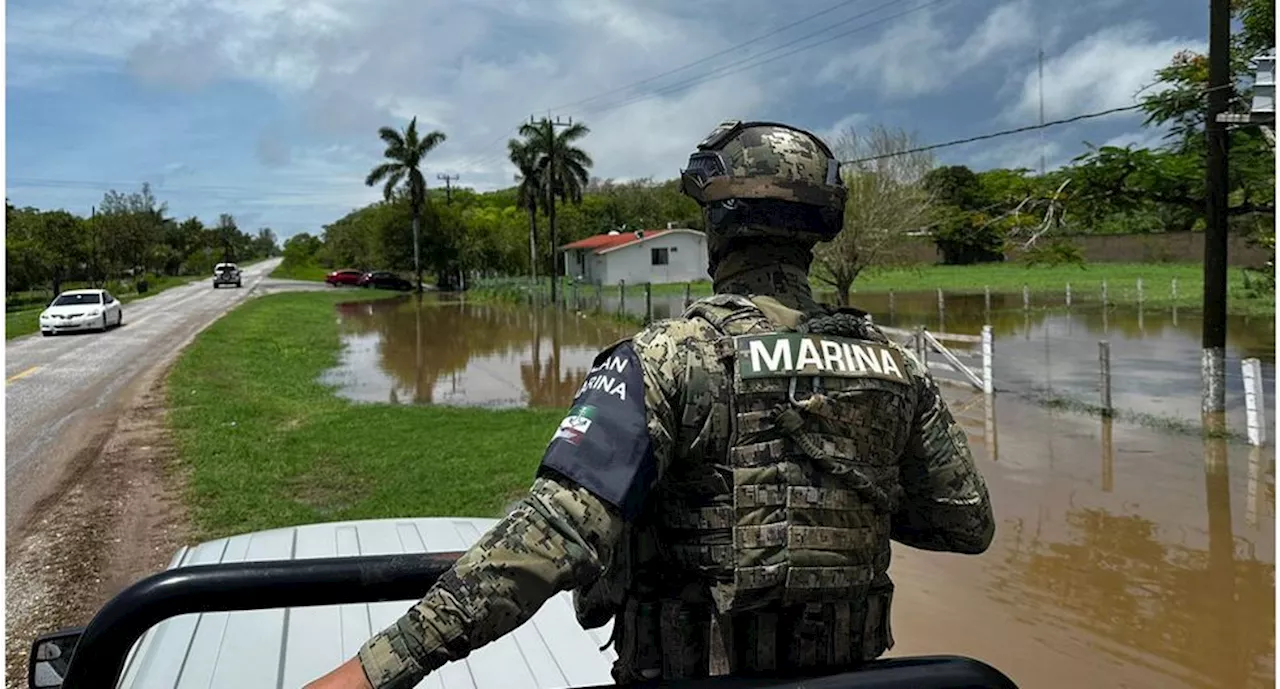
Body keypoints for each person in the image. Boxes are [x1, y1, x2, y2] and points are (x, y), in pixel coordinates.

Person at [304, 120, 995, 689]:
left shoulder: (667, 358)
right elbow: (966, 522)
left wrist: (372, 671)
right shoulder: (893, 365)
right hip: (854, 682)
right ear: (818, 231)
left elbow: (549, 538)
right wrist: (841, 496)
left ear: (718, 225)